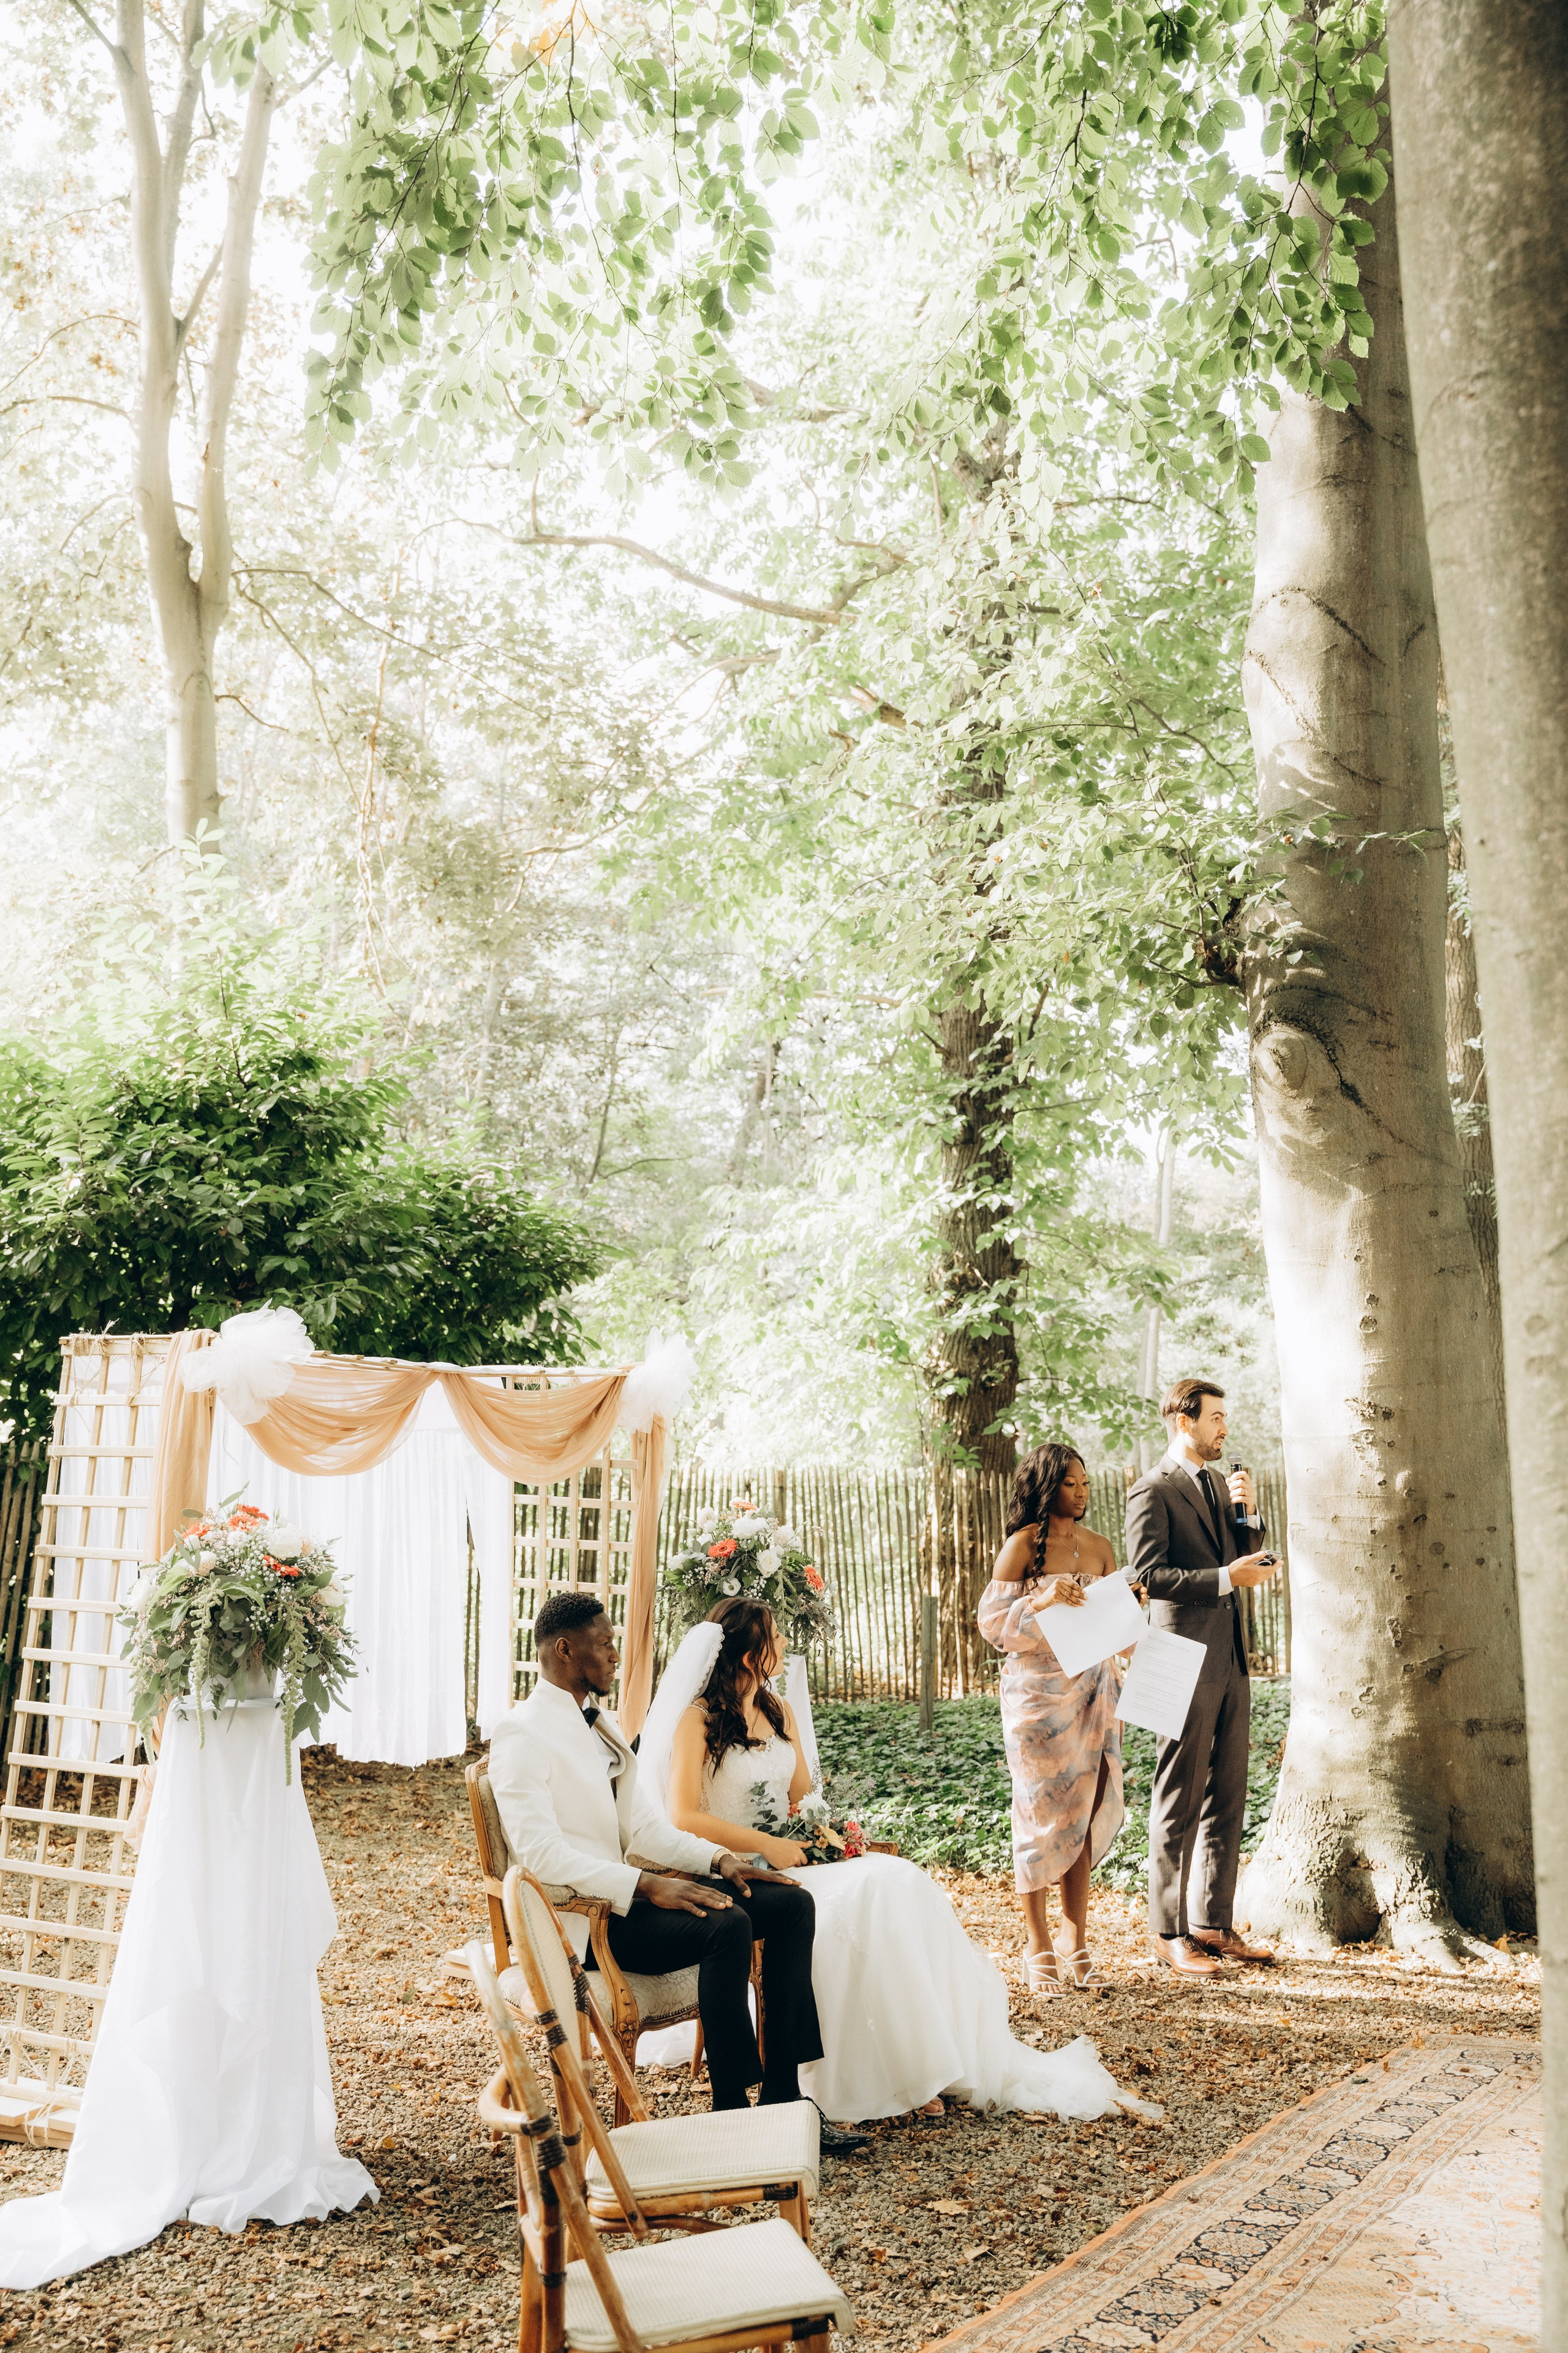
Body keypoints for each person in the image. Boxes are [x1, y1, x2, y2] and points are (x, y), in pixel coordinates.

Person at [641, 1596, 1156, 2128]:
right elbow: (684, 1816)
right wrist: (764, 1844)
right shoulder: (697, 1720)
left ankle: (923, 2066)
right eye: (776, 1635)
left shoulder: (779, 1711)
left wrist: (827, 1834)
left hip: (792, 1854)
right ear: (750, 1655)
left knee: (900, 1880)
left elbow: (801, 1800)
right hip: (737, 1863)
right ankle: (870, 2079)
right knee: (853, 1902)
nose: (786, 1643)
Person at [488, 1590, 866, 2148]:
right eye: (606, 1645)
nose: (616, 1656)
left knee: (789, 1903)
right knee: (726, 1924)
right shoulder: (522, 1733)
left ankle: (786, 2099)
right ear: (565, 1650)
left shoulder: (601, 1722)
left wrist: (720, 1859)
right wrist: (647, 1883)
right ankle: (732, 2112)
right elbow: (541, 1856)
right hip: (583, 1923)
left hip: (628, 1900)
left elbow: (646, 1829)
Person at [1126, 1376, 1280, 1979]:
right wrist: (1224, 1578)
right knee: (1177, 1796)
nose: (1223, 1428)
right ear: (1182, 1420)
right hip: (1174, 1656)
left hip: (1230, 1655)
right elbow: (1148, 1576)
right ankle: (1167, 1931)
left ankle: (1212, 1922)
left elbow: (1249, 1551)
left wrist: (1248, 1510)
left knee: (1228, 1793)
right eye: (1215, 1417)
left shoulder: (1218, 1484)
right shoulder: (1151, 1489)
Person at [978, 1443, 1128, 1998]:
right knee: (1041, 1818)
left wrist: (1132, 1612)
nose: (1082, 1492)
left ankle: (1075, 1936)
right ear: (1047, 1487)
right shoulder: (1020, 1547)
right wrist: (1041, 1602)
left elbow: (1120, 1626)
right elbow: (993, 1627)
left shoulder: (1101, 1548)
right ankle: (1037, 1942)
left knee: (1082, 1815)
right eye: (1071, 1483)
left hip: (1094, 1694)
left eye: (1086, 1482)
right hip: (1037, 1698)